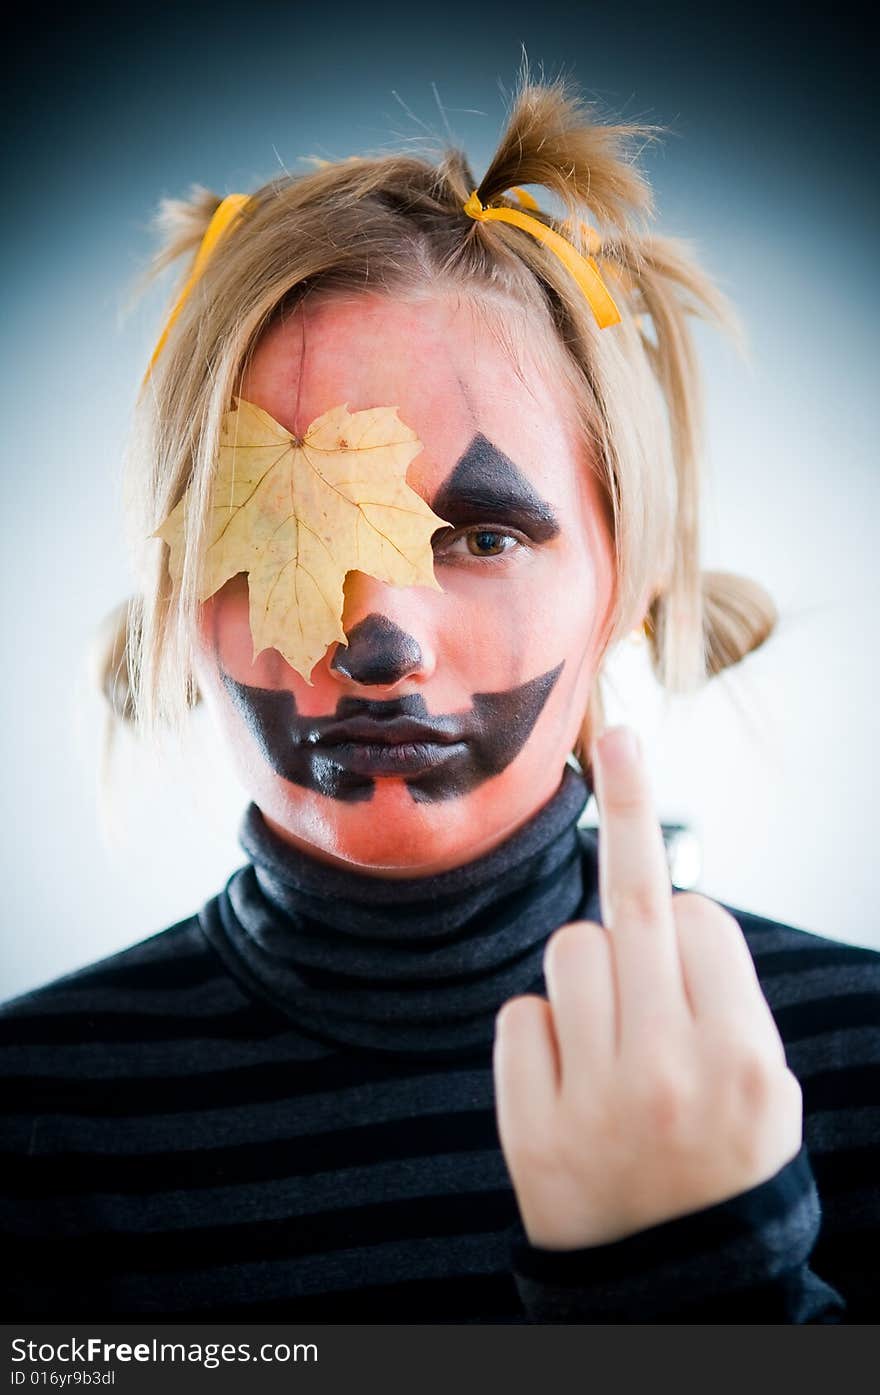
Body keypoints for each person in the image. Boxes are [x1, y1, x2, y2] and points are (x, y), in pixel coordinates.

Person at [1, 78, 877, 1323]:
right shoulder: (31, 1115)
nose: (378, 642)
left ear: (621, 579)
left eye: (479, 537)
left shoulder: (855, 1053)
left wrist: (701, 1286)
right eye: (274, 530)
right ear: (173, 584)